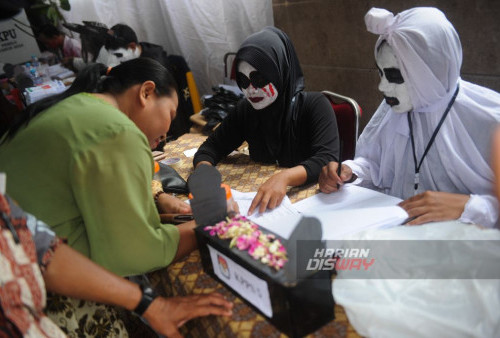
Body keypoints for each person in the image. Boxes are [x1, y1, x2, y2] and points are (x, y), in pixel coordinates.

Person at [0, 58, 196, 276]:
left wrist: (157, 198)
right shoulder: (117, 130)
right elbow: (134, 254)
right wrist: (205, 227)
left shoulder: (78, 106)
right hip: (26, 278)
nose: (165, 134)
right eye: (170, 113)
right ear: (146, 93)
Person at [319, 7, 500, 228]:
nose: (382, 86)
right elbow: (376, 164)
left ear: (430, 71)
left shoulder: (490, 118)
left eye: (395, 75)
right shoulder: (393, 108)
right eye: (381, 72)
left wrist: (468, 206)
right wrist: (351, 172)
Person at [0, 190, 232, 337]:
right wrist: (201, 226)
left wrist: (151, 305)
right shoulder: (116, 131)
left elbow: (41, 249)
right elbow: (145, 250)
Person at [193, 27, 340, 215]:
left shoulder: (314, 105)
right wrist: (205, 177)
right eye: (244, 81)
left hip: (312, 207)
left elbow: (327, 159)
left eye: (259, 78)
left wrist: (285, 177)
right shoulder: (247, 110)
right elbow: (210, 149)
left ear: (280, 71)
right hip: (261, 210)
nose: (251, 90)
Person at [102, 23, 198, 140]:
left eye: (118, 55)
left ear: (132, 47)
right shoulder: (140, 53)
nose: (115, 60)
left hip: (167, 127)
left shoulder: (155, 65)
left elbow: (152, 109)